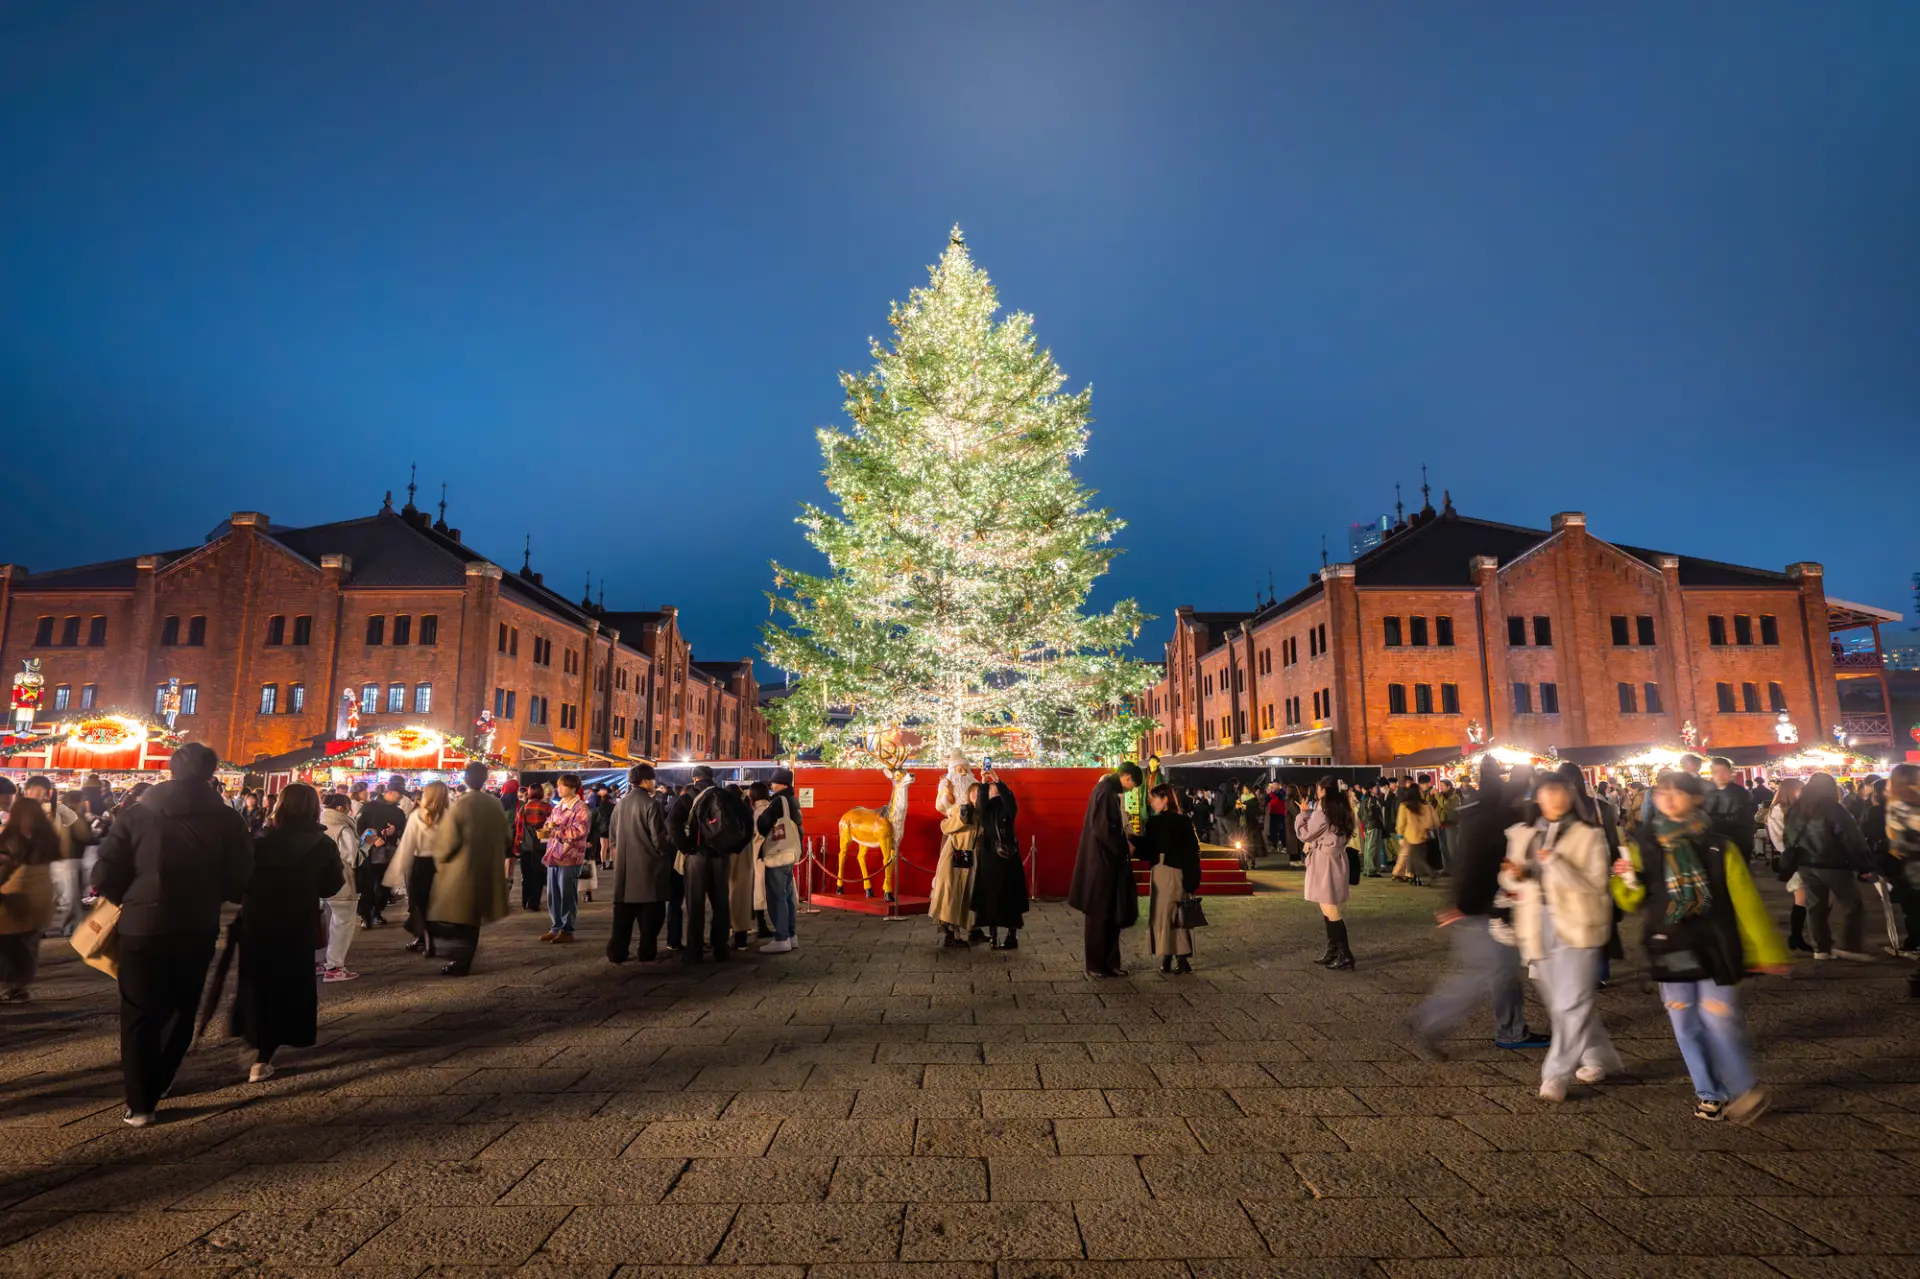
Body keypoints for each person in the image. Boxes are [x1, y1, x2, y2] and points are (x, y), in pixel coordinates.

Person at [90, 743, 254, 1126]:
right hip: (196, 923)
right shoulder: (227, 819)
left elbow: (105, 874)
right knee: (182, 1006)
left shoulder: (137, 813)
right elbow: (241, 876)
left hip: (141, 923)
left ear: (170, 769)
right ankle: (160, 1078)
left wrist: (131, 896)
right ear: (212, 773)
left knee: (138, 1010)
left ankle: (140, 1101)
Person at [1613, 769, 1787, 1124]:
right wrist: (1621, 879)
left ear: (1695, 798)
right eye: (1662, 792)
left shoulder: (1718, 845)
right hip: (1670, 945)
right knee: (1685, 1025)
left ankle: (1746, 1089)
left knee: (1719, 1022)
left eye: (1678, 792)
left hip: (1714, 944)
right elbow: (1632, 901)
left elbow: (1746, 901)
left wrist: (1768, 952)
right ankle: (1709, 1093)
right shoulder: (1644, 845)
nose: (1669, 798)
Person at [1408, 756, 1549, 1056]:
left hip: (1476, 902)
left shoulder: (1474, 810)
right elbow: (1479, 864)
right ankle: (1432, 1018)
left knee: (1496, 970)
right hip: (1483, 906)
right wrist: (1464, 904)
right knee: (1490, 971)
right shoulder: (1501, 816)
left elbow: (1463, 860)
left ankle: (1509, 1028)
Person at [1501, 772, 1621, 1101]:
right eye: (1546, 792)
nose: (1554, 798)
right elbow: (1511, 881)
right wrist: (1516, 875)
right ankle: (1598, 1056)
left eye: (1560, 791)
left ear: (1571, 795)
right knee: (1562, 1003)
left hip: (1577, 922)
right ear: (1536, 796)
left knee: (1572, 1001)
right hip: (1536, 924)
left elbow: (1595, 886)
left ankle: (1555, 1074)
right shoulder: (1525, 833)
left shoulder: (1588, 835)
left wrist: (1555, 863)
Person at [229, 784, 345, 1083]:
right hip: (296, 921)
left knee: (257, 981)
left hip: (258, 920)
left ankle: (254, 1039)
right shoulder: (321, 844)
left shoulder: (259, 839)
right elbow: (331, 885)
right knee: (289, 984)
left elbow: (238, 880)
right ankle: (264, 1054)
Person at [426, 762, 512, 976]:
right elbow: (506, 837)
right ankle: (463, 960)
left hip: (461, 869)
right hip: (486, 868)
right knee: (472, 919)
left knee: (453, 914)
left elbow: (448, 841)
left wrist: (439, 858)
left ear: (465, 779)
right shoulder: (494, 804)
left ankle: (458, 958)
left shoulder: (461, 804)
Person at [1779, 772, 1873, 961]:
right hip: (1833, 864)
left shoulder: (1795, 809)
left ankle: (1820, 948)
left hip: (1806, 864)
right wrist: (1864, 866)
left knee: (1816, 906)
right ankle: (1849, 945)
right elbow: (1851, 838)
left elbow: (1787, 837)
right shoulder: (1834, 809)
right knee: (1852, 903)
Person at [1069, 763, 1141, 978]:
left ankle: (1108, 963)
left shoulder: (1107, 791)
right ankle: (1096, 964)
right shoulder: (1106, 792)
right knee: (1100, 915)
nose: (1131, 789)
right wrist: (1123, 847)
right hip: (1101, 863)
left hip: (1106, 862)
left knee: (1109, 913)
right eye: (1132, 784)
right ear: (1125, 776)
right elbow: (1103, 829)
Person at [607, 764, 676, 962]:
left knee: (622, 918)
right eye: (653, 780)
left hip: (624, 871)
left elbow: (613, 837)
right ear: (646, 781)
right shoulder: (650, 804)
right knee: (650, 917)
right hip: (648, 869)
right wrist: (666, 851)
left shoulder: (620, 804)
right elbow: (658, 840)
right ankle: (646, 952)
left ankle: (617, 952)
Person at [0, 786, 61, 1003]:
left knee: (9, 945)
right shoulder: (48, 839)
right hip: (41, 899)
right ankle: (18, 987)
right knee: (28, 944)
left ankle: (11, 986)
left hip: (15, 899)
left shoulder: (10, 839)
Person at [670, 765, 733, 962]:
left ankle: (695, 950)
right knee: (721, 903)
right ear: (712, 777)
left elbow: (672, 824)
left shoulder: (687, 797)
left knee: (695, 903)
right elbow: (744, 822)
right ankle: (720, 948)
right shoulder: (724, 796)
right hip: (721, 856)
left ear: (695, 779)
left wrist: (686, 847)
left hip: (697, 856)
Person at [1135, 784, 1201, 974]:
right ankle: (1173, 957)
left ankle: (1173, 957)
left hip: (1168, 870)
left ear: (1165, 799)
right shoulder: (1169, 822)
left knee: (1170, 913)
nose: (1151, 802)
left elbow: (1190, 850)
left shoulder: (1168, 822)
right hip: (1163, 871)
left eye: (1154, 798)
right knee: (1169, 913)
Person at [1297, 776, 1357, 970]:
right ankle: (1333, 950)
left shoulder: (1323, 810)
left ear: (1322, 789)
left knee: (1330, 906)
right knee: (1326, 905)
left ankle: (1344, 952)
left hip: (1325, 860)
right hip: (1335, 857)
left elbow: (1306, 833)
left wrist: (1303, 814)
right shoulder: (1342, 806)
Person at [387, 782, 452, 957]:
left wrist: (396, 871)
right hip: (441, 865)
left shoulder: (418, 815)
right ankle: (425, 939)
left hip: (419, 864)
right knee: (434, 904)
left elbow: (408, 844)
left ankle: (427, 940)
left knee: (419, 904)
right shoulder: (450, 816)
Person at [23, 775, 93, 937]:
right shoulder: (58, 810)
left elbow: (82, 833)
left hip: (53, 862)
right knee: (65, 899)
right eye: (33, 791)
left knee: (58, 899)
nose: (35, 795)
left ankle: (52, 928)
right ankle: (68, 928)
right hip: (51, 862)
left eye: (38, 791)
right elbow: (83, 833)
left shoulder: (24, 810)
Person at [968, 769, 1026, 950]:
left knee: (1010, 896)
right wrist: (984, 782)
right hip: (990, 857)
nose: (993, 790)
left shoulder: (1007, 807)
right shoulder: (986, 810)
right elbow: (980, 804)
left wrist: (999, 780)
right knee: (990, 897)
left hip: (1007, 856)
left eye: (995, 788)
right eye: (992, 788)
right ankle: (993, 936)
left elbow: (1011, 802)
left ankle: (1012, 935)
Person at [756, 768, 804, 953]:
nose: (771, 785)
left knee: (777, 896)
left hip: (778, 853)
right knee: (787, 896)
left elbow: (763, 824)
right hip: (791, 852)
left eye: (774, 782)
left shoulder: (779, 801)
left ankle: (781, 937)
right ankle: (791, 935)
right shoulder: (793, 800)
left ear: (782, 783)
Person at [539, 773, 591, 944]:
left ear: (573, 788)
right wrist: (546, 828)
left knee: (567, 894)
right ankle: (556, 927)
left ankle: (567, 930)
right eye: (559, 785)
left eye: (563, 786)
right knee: (553, 894)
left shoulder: (580, 808)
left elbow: (580, 831)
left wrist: (556, 831)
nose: (558, 788)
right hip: (554, 854)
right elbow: (548, 823)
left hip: (570, 856)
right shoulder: (558, 806)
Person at [317, 794, 361, 981]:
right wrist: (366, 845)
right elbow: (354, 858)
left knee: (324, 924)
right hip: (341, 883)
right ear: (342, 808)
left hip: (321, 882)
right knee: (342, 924)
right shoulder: (343, 828)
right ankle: (334, 967)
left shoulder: (317, 824)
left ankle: (319, 962)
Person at [934, 785, 984, 948]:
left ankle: (971, 929)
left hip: (969, 856)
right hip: (956, 854)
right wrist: (961, 818)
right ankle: (950, 934)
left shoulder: (981, 814)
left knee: (966, 892)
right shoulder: (962, 810)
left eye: (979, 792)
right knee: (952, 893)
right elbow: (945, 827)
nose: (976, 795)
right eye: (973, 792)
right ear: (968, 794)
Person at [355, 779, 408, 928]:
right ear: (389, 792)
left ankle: (376, 912)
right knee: (368, 884)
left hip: (389, 852)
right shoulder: (369, 807)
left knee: (384, 886)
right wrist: (373, 838)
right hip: (369, 852)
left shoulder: (399, 812)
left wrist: (394, 831)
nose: (400, 797)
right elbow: (358, 827)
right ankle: (366, 915)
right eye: (399, 794)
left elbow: (403, 831)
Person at [1886, 766, 1920, 970]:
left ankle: (1914, 942)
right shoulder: (1904, 804)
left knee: (1914, 908)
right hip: (1912, 864)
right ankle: (1915, 942)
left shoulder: (1899, 804)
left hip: (1909, 864)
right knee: (1915, 907)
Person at [1703, 758, 1757, 863]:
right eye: (1716, 772)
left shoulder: (1740, 793)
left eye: (1724, 771)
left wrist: (1708, 819)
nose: (1720, 775)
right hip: (1715, 841)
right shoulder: (1709, 793)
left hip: (1738, 840)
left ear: (1730, 772)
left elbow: (1738, 818)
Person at [513, 782, 552, 911]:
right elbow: (552, 826)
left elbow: (519, 830)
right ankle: (534, 902)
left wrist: (517, 846)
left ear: (529, 793)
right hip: (541, 846)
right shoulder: (547, 807)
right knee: (538, 874)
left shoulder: (523, 808)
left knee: (527, 874)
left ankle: (525, 901)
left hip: (526, 846)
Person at [1394, 786, 1437, 885]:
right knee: (1418, 857)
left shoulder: (1405, 805)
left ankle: (1429, 873)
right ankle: (1414, 878)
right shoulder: (1426, 805)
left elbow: (1401, 822)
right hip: (1423, 835)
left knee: (1415, 858)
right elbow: (1433, 820)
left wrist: (1400, 835)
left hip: (1410, 836)